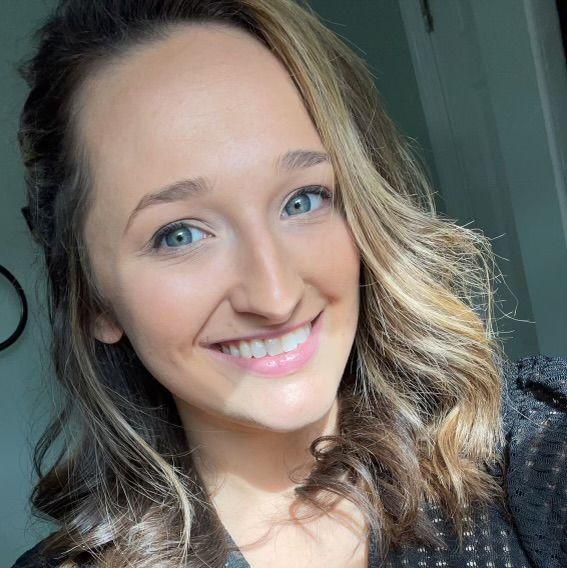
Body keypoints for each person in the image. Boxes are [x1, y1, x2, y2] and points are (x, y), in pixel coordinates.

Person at [11, 0, 566, 567]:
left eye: (303, 200)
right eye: (179, 235)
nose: (275, 297)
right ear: (94, 300)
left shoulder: (535, 450)